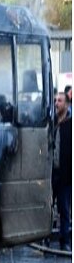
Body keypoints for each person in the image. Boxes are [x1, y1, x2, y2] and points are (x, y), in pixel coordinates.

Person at [53, 92, 72, 251]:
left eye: (59, 101)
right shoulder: (51, 123)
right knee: (47, 206)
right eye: (55, 101)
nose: (56, 103)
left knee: (64, 208)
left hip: (65, 174)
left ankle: (64, 240)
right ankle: (44, 237)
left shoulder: (70, 125)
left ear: (66, 104)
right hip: (51, 173)